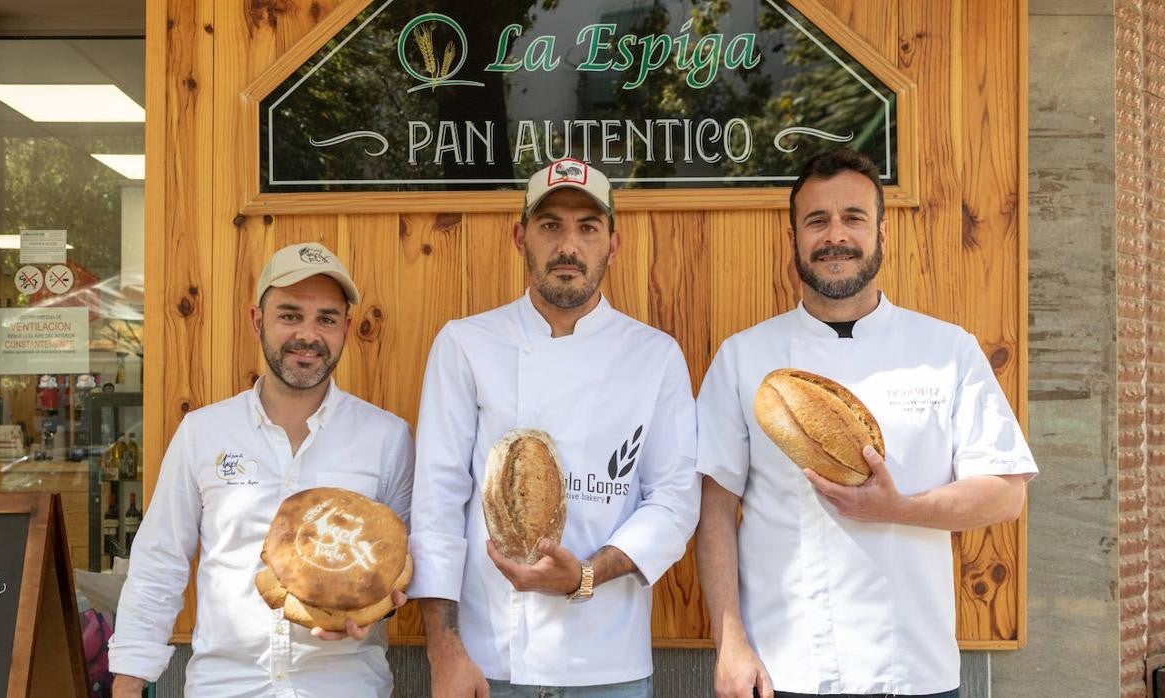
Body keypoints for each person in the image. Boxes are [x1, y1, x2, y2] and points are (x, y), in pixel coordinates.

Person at [694, 148, 1038, 698]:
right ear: (793, 240)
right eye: (816, 221)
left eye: (853, 218)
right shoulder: (743, 359)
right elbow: (713, 511)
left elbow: (1005, 495)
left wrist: (898, 509)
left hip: (916, 669)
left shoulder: (947, 350)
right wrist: (729, 643)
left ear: (882, 233)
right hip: (784, 671)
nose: (836, 235)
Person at [409, 158, 700, 697]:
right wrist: (444, 650)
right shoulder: (465, 344)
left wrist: (585, 574)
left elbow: (675, 500)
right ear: (521, 236)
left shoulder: (654, 356)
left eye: (588, 227)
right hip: (488, 660)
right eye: (550, 226)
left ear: (613, 244)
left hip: (609, 662)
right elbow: (436, 504)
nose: (569, 245)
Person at [109, 242, 414, 697]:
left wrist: (374, 611)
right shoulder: (203, 432)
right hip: (225, 687)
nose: (308, 334)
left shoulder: (387, 437)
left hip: (344, 686)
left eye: (326, 318)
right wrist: (130, 681)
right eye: (289, 315)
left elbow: (404, 564)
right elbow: (159, 562)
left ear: (347, 328)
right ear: (258, 321)